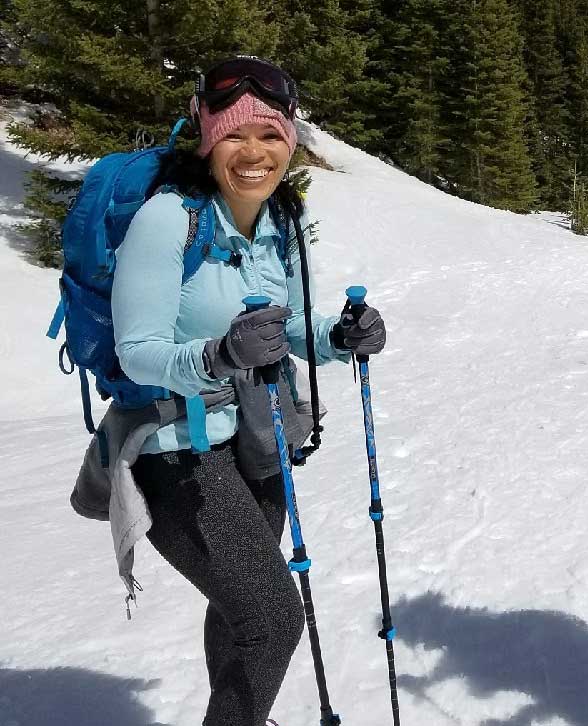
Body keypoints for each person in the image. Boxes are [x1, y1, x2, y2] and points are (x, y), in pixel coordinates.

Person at [107, 56, 386, 725]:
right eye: (235, 135)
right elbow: (137, 352)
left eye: (269, 135)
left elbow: (283, 326)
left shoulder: (275, 222)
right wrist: (218, 354)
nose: (254, 152)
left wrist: (337, 336)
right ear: (207, 137)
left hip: (254, 441)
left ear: (289, 139)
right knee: (271, 619)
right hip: (176, 452)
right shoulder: (167, 220)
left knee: (241, 611)